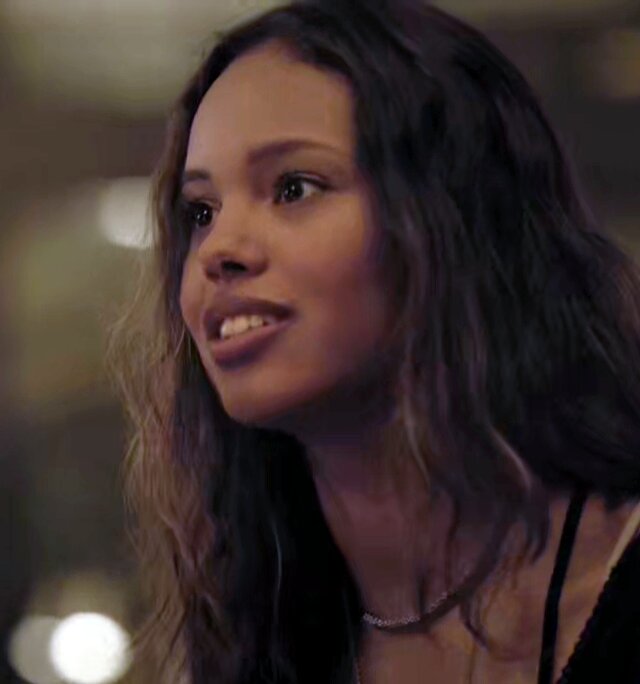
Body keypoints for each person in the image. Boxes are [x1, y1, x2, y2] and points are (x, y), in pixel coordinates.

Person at [111, 0, 640, 682]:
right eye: (201, 211)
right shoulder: (242, 644)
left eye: (294, 187)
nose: (218, 250)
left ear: (450, 220)